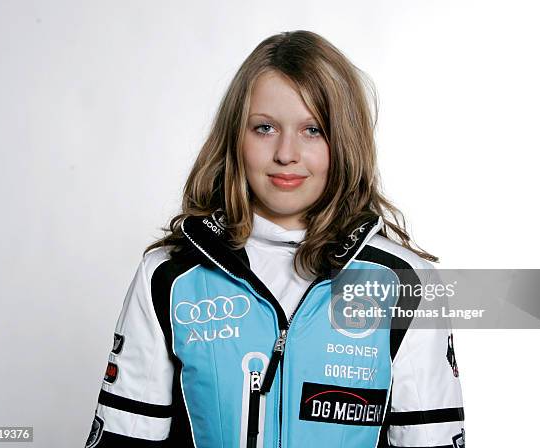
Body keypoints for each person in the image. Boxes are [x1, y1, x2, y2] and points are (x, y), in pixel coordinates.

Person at [85, 30, 465, 448]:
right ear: (235, 138)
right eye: (264, 128)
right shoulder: (169, 277)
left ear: (345, 142)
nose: (287, 153)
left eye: (313, 130)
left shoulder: (405, 282)